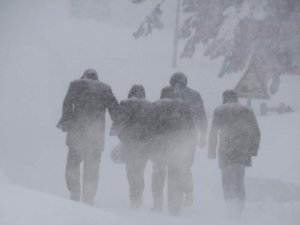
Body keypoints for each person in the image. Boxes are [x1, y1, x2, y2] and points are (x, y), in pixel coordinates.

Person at [57, 69, 119, 205]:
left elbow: (67, 103)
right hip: (96, 137)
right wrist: (118, 126)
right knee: (92, 168)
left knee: (72, 165)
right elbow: (115, 109)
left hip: (76, 134)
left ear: (83, 76)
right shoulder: (105, 88)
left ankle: (74, 193)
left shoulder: (75, 85)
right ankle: (88, 197)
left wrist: (66, 121)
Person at [208, 90, 260, 216]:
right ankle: (239, 208)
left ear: (224, 98)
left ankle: (231, 208)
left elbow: (214, 133)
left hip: (226, 151)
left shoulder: (220, 110)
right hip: (242, 151)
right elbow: (255, 132)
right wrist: (253, 149)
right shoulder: (247, 110)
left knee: (227, 181)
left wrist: (212, 152)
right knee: (239, 181)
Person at [150, 87, 194, 215]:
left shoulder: (155, 106)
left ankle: (157, 205)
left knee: (158, 176)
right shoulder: (183, 106)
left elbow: (149, 126)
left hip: (159, 146)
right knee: (175, 176)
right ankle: (174, 207)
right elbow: (190, 128)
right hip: (177, 146)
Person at [169, 72, 207, 206]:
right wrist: (203, 135)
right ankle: (188, 192)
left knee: (173, 166)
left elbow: (161, 114)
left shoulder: (170, 94)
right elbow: (202, 115)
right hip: (191, 136)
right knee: (185, 165)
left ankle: (174, 197)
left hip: (172, 136)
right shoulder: (195, 95)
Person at [110, 85, 152, 209]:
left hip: (129, 144)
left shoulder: (125, 104)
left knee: (131, 172)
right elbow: (153, 125)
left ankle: (134, 198)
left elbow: (119, 123)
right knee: (139, 172)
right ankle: (138, 197)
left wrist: (121, 136)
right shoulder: (150, 106)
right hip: (144, 145)